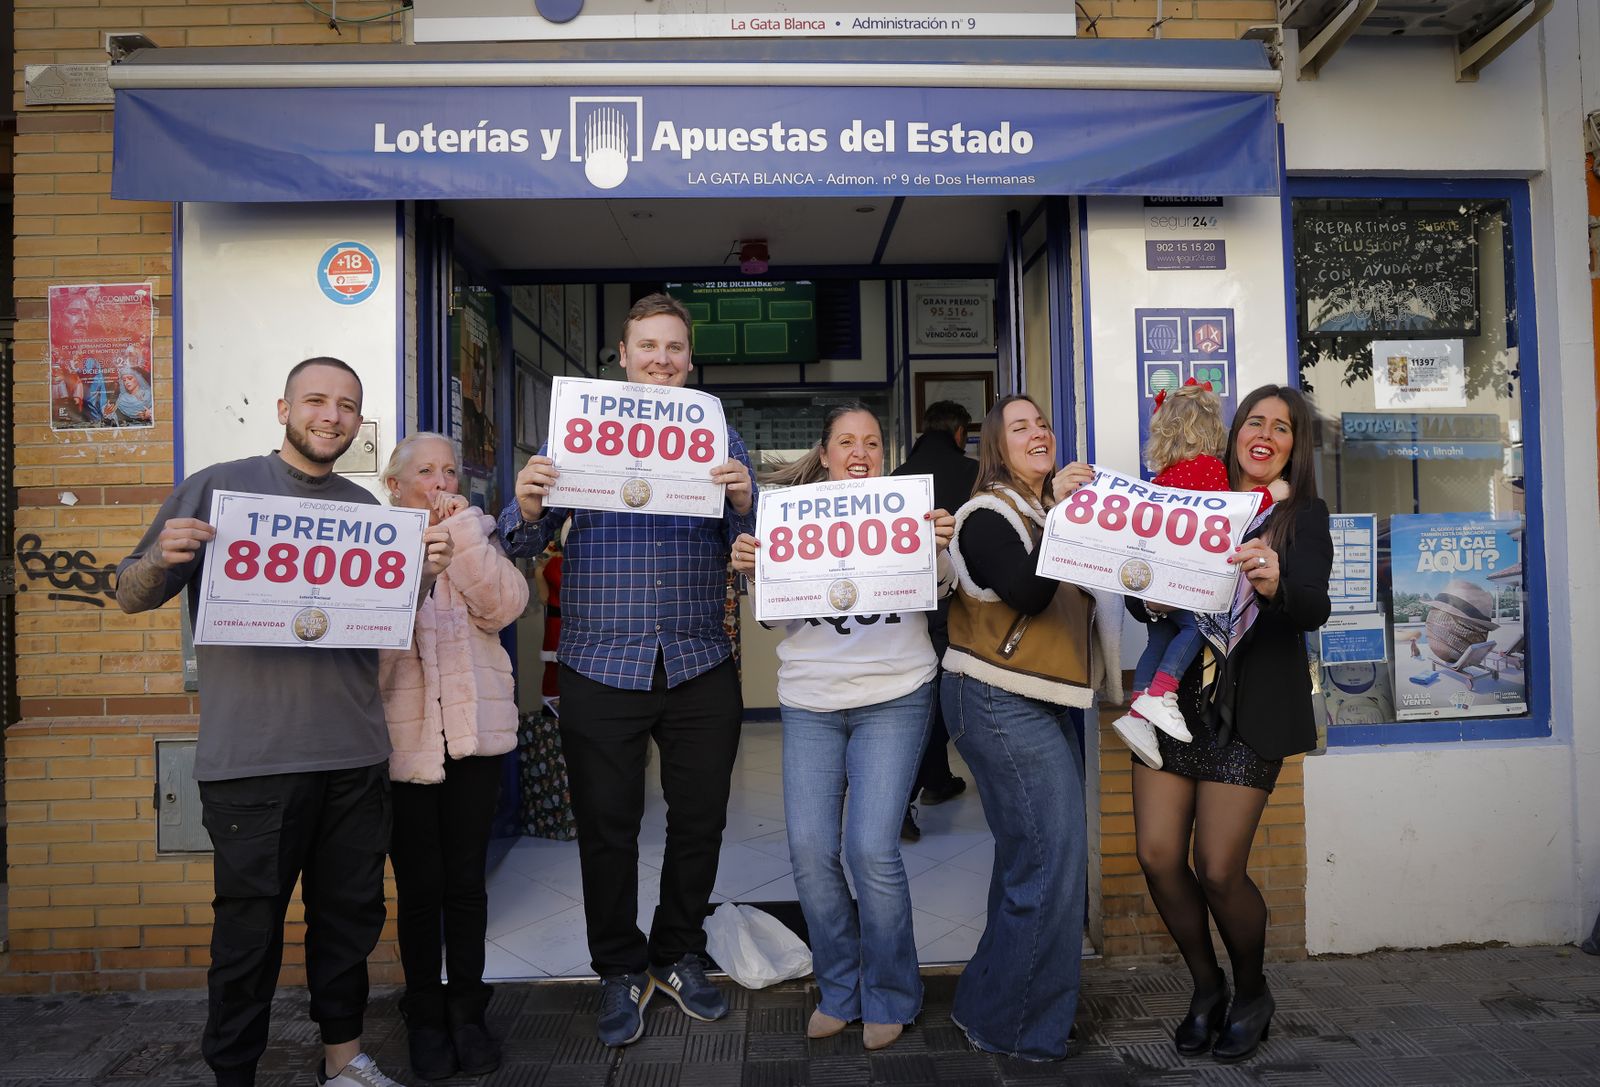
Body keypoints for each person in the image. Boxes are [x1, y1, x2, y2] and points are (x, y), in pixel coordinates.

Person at [114, 357, 454, 1087]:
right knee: (247, 935)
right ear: (283, 406)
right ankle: (234, 1073)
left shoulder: (369, 509)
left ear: (358, 422)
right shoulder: (218, 486)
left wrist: (422, 573)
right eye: (317, 400)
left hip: (354, 755)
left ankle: (344, 1061)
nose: (332, 415)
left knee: (349, 922)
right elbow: (130, 591)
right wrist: (160, 558)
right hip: (252, 761)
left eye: (347, 406)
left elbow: (386, 627)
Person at [498, 294, 757, 1048]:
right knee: (607, 828)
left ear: (689, 358)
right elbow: (522, 538)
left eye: (675, 347)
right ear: (621, 352)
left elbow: (754, 544)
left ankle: (674, 953)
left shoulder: (720, 433)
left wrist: (746, 499)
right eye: (649, 345)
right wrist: (523, 501)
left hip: (700, 658)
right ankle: (616, 967)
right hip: (599, 662)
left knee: (700, 821)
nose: (662, 359)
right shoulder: (573, 434)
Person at [730, 404, 955, 1052]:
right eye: (847, 441)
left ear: (883, 452)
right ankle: (840, 987)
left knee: (871, 848)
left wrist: (938, 548)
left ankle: (891, 991)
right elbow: (773, 620)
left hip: (896, 692)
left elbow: (941, 588)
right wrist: (755, 571)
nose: (860, 451)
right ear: (825, 452)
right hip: (811, 698)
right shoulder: (789, 517)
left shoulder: (908, 510)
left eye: (872, 442)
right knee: (808, 848)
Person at [1126, 385, 1332, 1063]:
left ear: (1294, 447)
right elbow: (1141, 595)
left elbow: (1313, 606)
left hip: (1249, 714)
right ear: (1235, 431)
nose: (1266, 433)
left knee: (1218, 869)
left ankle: (1251, 992)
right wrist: (1150, 598)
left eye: (1282, 427)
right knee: (1158, 856)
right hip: (1173, 701)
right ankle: (1206, 986)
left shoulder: (1303, 516)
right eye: (1256, 421)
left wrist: (1276, 583)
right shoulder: (1195, 499)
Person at [940, 394, 1120, 1062]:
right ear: (996, 446)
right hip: (994, 696)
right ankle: (1019, 1028)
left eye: (1042, 421)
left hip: (1037, 698)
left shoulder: (1040, 511)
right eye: (1020, 427)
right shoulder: (986, 513)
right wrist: (1068, 514)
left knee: (1032, 860)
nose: (1037, 431)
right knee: (1052, 862)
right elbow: (1029, 590)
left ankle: (987, 1004)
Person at [378, 432, 529, 1081]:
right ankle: (425, 1013)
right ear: (394, 484)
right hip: (405, 747)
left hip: (475, 739)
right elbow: (370, 655)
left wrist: (465, 539)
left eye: (449, 471)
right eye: (424, 471)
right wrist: (420, 570)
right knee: (419, 889)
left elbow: (505, 606)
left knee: (466, 884)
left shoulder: (477, 535)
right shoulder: (373, 548)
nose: (439, 482)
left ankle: (468, 1009)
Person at [1110, 379, 1289, 769]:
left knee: (1156, 642)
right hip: (1186, 585)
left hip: (1156, 586)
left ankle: (1138, 716)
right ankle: (1161, 694)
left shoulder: (1161, 479)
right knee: (1196, 629)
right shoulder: (1207, 469)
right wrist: (1270, 494)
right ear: (1210, 430)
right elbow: (1229, 512)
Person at [891, 399, 979, 842]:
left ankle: (928, 784)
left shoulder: (895, 479)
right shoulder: (973, 474)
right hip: (955, 604)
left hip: (903, 608)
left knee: (917, 699)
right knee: (941, 698)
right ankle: (921, 786)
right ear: (960, 433)